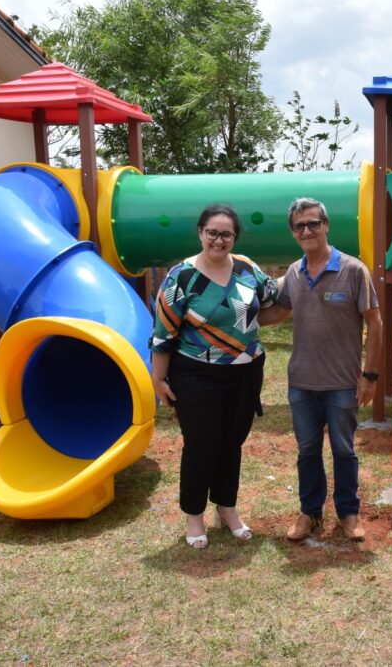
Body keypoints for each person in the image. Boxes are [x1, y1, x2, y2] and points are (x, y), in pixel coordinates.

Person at [150, 204, 278, 549]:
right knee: (202, 444)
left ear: (235, 237)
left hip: (246, 372)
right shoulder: (181, 276)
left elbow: (275, 299)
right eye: (213, 232)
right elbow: (163, 334)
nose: (219, 240)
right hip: (196, 374)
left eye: (227, 234)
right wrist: (158, 380)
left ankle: (227, 508)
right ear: (200, 232)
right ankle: (194, 516)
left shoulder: (247, 268)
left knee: (232, 442)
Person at [259, 197, 383, 542]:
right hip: (302, 383)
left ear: (326, 225)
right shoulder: (293, 275)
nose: (307, 230)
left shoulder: (354, 270)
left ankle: (349, 513)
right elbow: (275, 313)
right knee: (307, 451)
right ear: (293, 233)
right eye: (300, 225)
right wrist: (236, 317)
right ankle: (310, 513)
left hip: (343, 383)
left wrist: (370, 376)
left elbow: (375, 323)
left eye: (314, 223)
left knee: (344, 449)